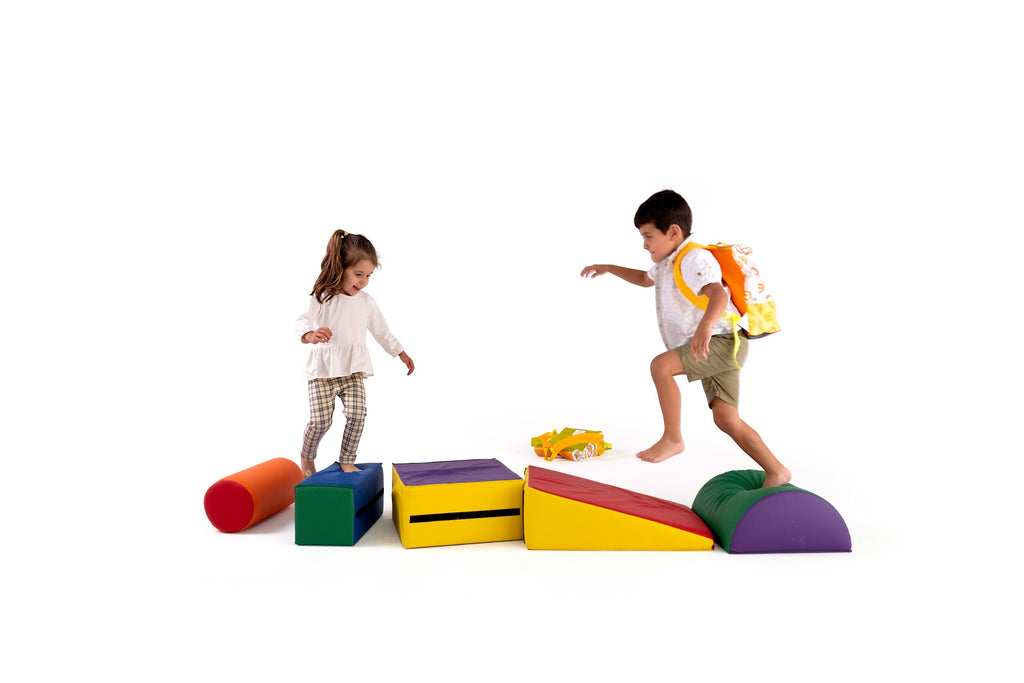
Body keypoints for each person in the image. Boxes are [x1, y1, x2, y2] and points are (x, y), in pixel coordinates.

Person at [580, 190, 790, 488]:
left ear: (674, 232)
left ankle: (672, 438)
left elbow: (717, 293)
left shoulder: (693, 258)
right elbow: (643, 279)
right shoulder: (668, 261)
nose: (644, 244)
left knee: (660, 367)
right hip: (721, 345)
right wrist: (610, 268)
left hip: (719, 341)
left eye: (649, 236)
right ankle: (777, 471)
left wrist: (704, 329)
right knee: (726, 419)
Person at [296, 230, 415, 477]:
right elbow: (303, 321)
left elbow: (382, 331)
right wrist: (311, 335)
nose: (363, 281)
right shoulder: (323, 297)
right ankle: (307, 457)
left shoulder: (366, 302)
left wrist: (400, 352)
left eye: (368, 276)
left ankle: (347, 460)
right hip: (323, 372)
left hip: (352, 370)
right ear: (341, 267)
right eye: (358, 274)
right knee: (321, 422)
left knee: (358, 414)